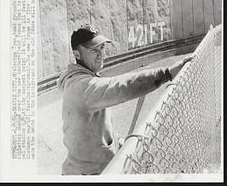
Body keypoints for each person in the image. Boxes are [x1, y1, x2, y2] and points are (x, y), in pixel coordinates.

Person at [58, 24, 192, 175]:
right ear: (77, 54)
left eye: (102, 48)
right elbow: (120, 86)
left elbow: (97, 129)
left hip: (94, 169)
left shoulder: (86, 78)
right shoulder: (81, 86)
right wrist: (166, 73)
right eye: (94, 50)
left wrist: (118, 142)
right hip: (87, 175)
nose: (101, 54)